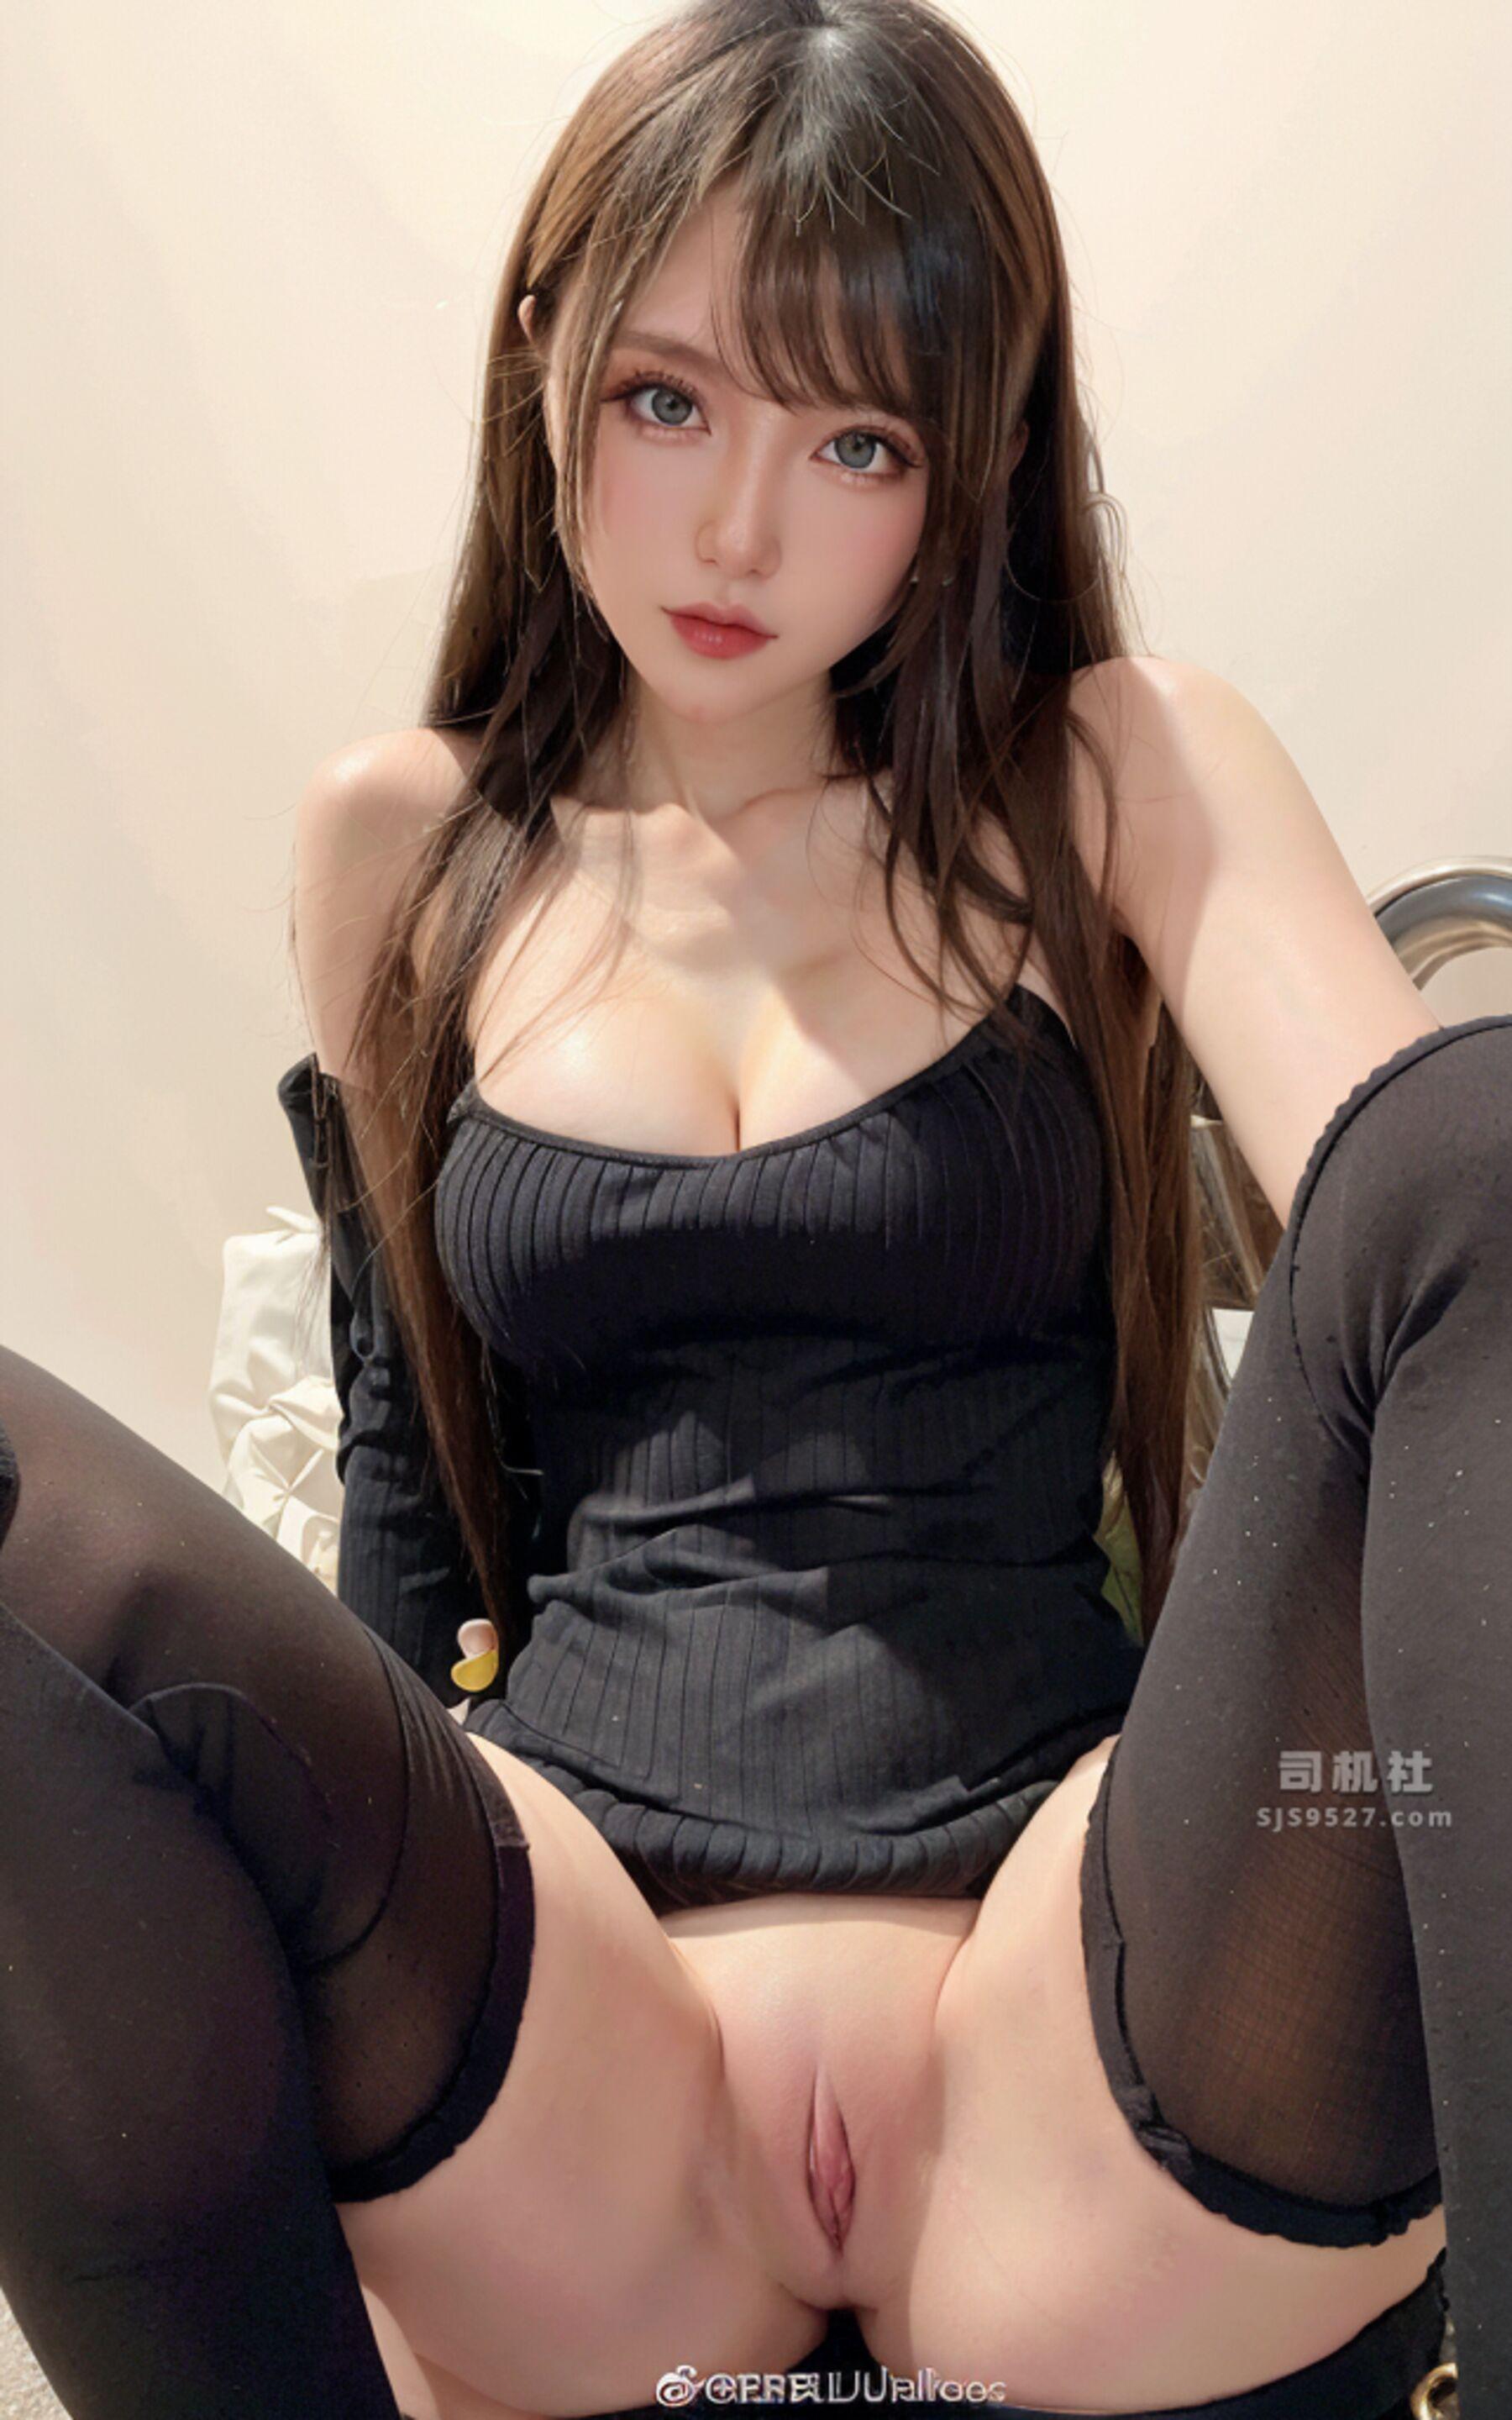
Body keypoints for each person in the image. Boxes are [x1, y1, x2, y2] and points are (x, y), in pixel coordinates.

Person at [1, 2, 1506, 2414]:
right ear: (546, 360)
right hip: (580, 2075)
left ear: (967, 463)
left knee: (1482, 1139)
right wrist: (375, 1979)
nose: (738, 533)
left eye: (857, 441)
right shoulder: (404, 843)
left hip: (1083, 2034)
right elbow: (411, 1482)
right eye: (670, 398)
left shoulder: (1111, 771)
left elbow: (1434, 1215)